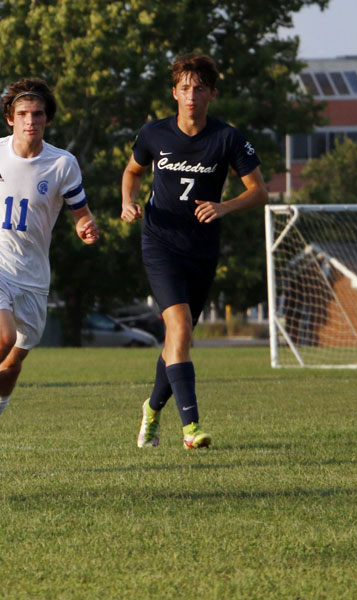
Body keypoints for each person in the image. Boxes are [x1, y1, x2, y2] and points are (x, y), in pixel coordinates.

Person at [0, 78, 99, 462]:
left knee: (13, 362)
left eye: (38, 114)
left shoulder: (63, 164)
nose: (31, 121)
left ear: (47, 119)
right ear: (10, 119)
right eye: (23, 114)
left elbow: (81, 213)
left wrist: (86, 227)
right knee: (2, 337)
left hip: (32, 276)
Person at [120, 53, 268, 449]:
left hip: (201, 249)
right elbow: (132, 172)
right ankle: (191, 429)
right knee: (180, 329)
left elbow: (260, 192)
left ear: (211, 95)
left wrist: (223, 206)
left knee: (177, 341)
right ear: (174, 93)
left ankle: (151, 412)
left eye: (199, 88)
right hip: (160, 243)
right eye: (184, 88)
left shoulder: (228, 138)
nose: (191, 95)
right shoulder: (154, 133)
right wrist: (126, 202)